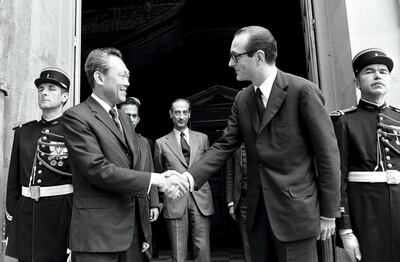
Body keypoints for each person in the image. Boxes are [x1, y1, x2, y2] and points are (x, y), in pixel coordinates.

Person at [182, 26, 341, 262]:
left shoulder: (303, 91)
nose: (229, 63)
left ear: (259, 56)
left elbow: (327, 155)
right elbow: (225, 144)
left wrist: (329, 212)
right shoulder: (242, 98)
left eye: (235, 56)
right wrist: (189, 177)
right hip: (257, 215)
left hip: (296, 214)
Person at [61, 47, 188, 262]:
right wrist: (157, 179)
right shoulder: (77, 117)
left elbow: (135, 168)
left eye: (128, 76)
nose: (127, 82)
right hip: (98, 237)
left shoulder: (123, 118)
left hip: (132, 236)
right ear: (99, 77)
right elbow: (98, 169)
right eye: (122, 76)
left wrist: (163, 187)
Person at [331, 48, 400, 262]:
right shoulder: (343, 121)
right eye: (369, 71)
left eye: (383, 72)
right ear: (357, 83)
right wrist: (346, 229)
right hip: (366, 214)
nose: (378, 75)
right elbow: (337, 180)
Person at [6, 67, 73, 261]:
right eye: (41, 88)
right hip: (27, 215)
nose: (44, 92)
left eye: (52, 88)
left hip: (60, 215)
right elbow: (13, 181)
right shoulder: (24, 132)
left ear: (64, 96)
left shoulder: (74, 132)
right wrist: (12, 220)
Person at [153, 98, 214, 262]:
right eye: (177, 112)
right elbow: (158, 173)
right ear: (171, 115)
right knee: (178, 253)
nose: (181, 116)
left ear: (189, 115)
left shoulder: (203, 139)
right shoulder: (160, 143)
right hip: (175, 200)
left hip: (200, 198)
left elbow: (209, 167)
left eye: (184, 112)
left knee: (202, 250)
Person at [119, 97, 161, 260]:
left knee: (145, 253)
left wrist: (155, 204)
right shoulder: (111, 140)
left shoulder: (145, 142)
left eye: (134, 116)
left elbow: (151, 172)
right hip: (120, 206)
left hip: (142, 206)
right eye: (126, 115)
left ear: (138, 118)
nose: (130, 119)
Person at [225, 144, 251, 262]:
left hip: (263, 198)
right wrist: (231, 202)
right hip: (243, 199)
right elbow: (230, 174)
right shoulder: (234, 143)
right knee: (246, 241)